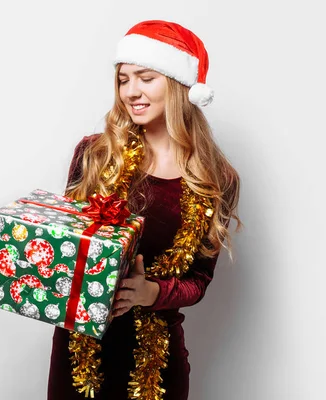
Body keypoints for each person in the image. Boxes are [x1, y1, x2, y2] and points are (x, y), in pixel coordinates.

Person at [47, 20, 241, 400]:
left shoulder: (216, 178)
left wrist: (148, 292)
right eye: (123, 79)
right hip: (80, 354)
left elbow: (199, 279)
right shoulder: (95, 154)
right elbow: (67, 244)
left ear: (179, 85)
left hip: (155, 364)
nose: (131, 91)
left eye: (146, 78)